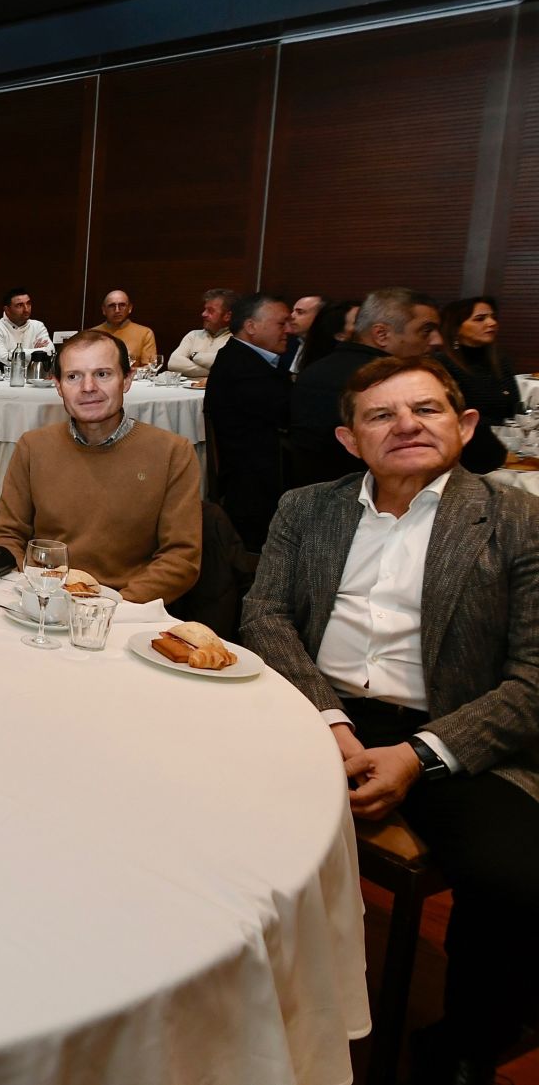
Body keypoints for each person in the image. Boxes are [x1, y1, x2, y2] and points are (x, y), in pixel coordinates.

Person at [241, 356, 539, 1085]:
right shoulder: (306, 505)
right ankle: (230, 990)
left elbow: (533, 676)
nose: (405, 424)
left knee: (515, 878)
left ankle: (462, 1046)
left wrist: (419, 754)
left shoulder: (517, 518)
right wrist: (331, 724)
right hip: (313, 706)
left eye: (426, 409)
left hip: (453, 723)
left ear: (465, 424)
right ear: (349, 439)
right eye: (381, 414)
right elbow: (266, 615)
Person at [0, 330, 201, 603]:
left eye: (102, 374)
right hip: (42, 600)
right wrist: (30, 593)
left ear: (127, 379)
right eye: (73, 376)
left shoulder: (172, 453)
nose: (88, 387)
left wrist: (114, 609)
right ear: (58, 385)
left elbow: (180, 558)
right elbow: (7, 534)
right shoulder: (33, 447)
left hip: (124, 608)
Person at [290, 288, 444, 487]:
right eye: (426, 330)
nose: (437, 340)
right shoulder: (397, 383)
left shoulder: (313, 371)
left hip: (313, 495)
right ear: (381, 334)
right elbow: (481, 455)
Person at [204, 292, 291, 550]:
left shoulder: (245, 358)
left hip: (253, 475)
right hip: (256, 487)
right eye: (280, 323)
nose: (288, 330)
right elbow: (286, 413)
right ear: (251, 327)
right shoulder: (245, 369)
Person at [437, 296, 521, 476]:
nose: (491, 323)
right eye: (480, 319)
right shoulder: (442, 364)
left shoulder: (500, 361)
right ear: (456, 327)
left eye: (493, 317)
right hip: (464, 455)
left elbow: (514, 408)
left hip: (503, 451)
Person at [164, 288, 237, 376]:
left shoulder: (236, 339)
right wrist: (213, 372)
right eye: (205, 309)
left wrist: (194, 355)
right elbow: (173, 363)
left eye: (210, 310)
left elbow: (226, 364)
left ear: (227, 316)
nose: (203, 314)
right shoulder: (193, 335)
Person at [90, 289, 158, 369]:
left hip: (133, 380)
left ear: (130, 308)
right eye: (112, 305)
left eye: (122, 305)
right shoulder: (91, 334)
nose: (117, 310)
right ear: (104, 310)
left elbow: (150, 368)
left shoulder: (145, 333)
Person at [0, 287, 51, 358]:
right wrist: (37, 352)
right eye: (20, 305)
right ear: (7, 310)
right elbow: (3, 357)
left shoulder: (38, 325)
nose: (26, 309)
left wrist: (12, 352)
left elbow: (50, 351)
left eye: (28, 303)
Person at [278, 294, 325, 374]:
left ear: (320, 316)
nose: (291, 316)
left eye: (300, 312)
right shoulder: (284, 344)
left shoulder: (328, 349)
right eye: (293, 311)